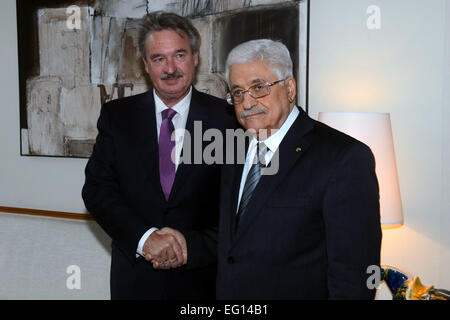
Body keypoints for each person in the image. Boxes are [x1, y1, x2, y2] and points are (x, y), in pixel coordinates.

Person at [82, 11, 236, 300]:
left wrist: (191, 247)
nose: (170, 68)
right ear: (145, 64)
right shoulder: (117, 117)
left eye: (179, 55)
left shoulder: (227, 119)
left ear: (195, 57)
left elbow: (237, 207)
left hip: (203, 281)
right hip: (135, 281)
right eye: (158, 58)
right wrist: (146, 239)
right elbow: (97, 190)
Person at [216, 39, 382, 299]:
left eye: (258, 87)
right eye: (237, 92)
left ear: (290, 88)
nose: (246, 103)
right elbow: (234, 244)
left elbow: (354, 278)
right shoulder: (233, 150)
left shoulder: (344, 159)